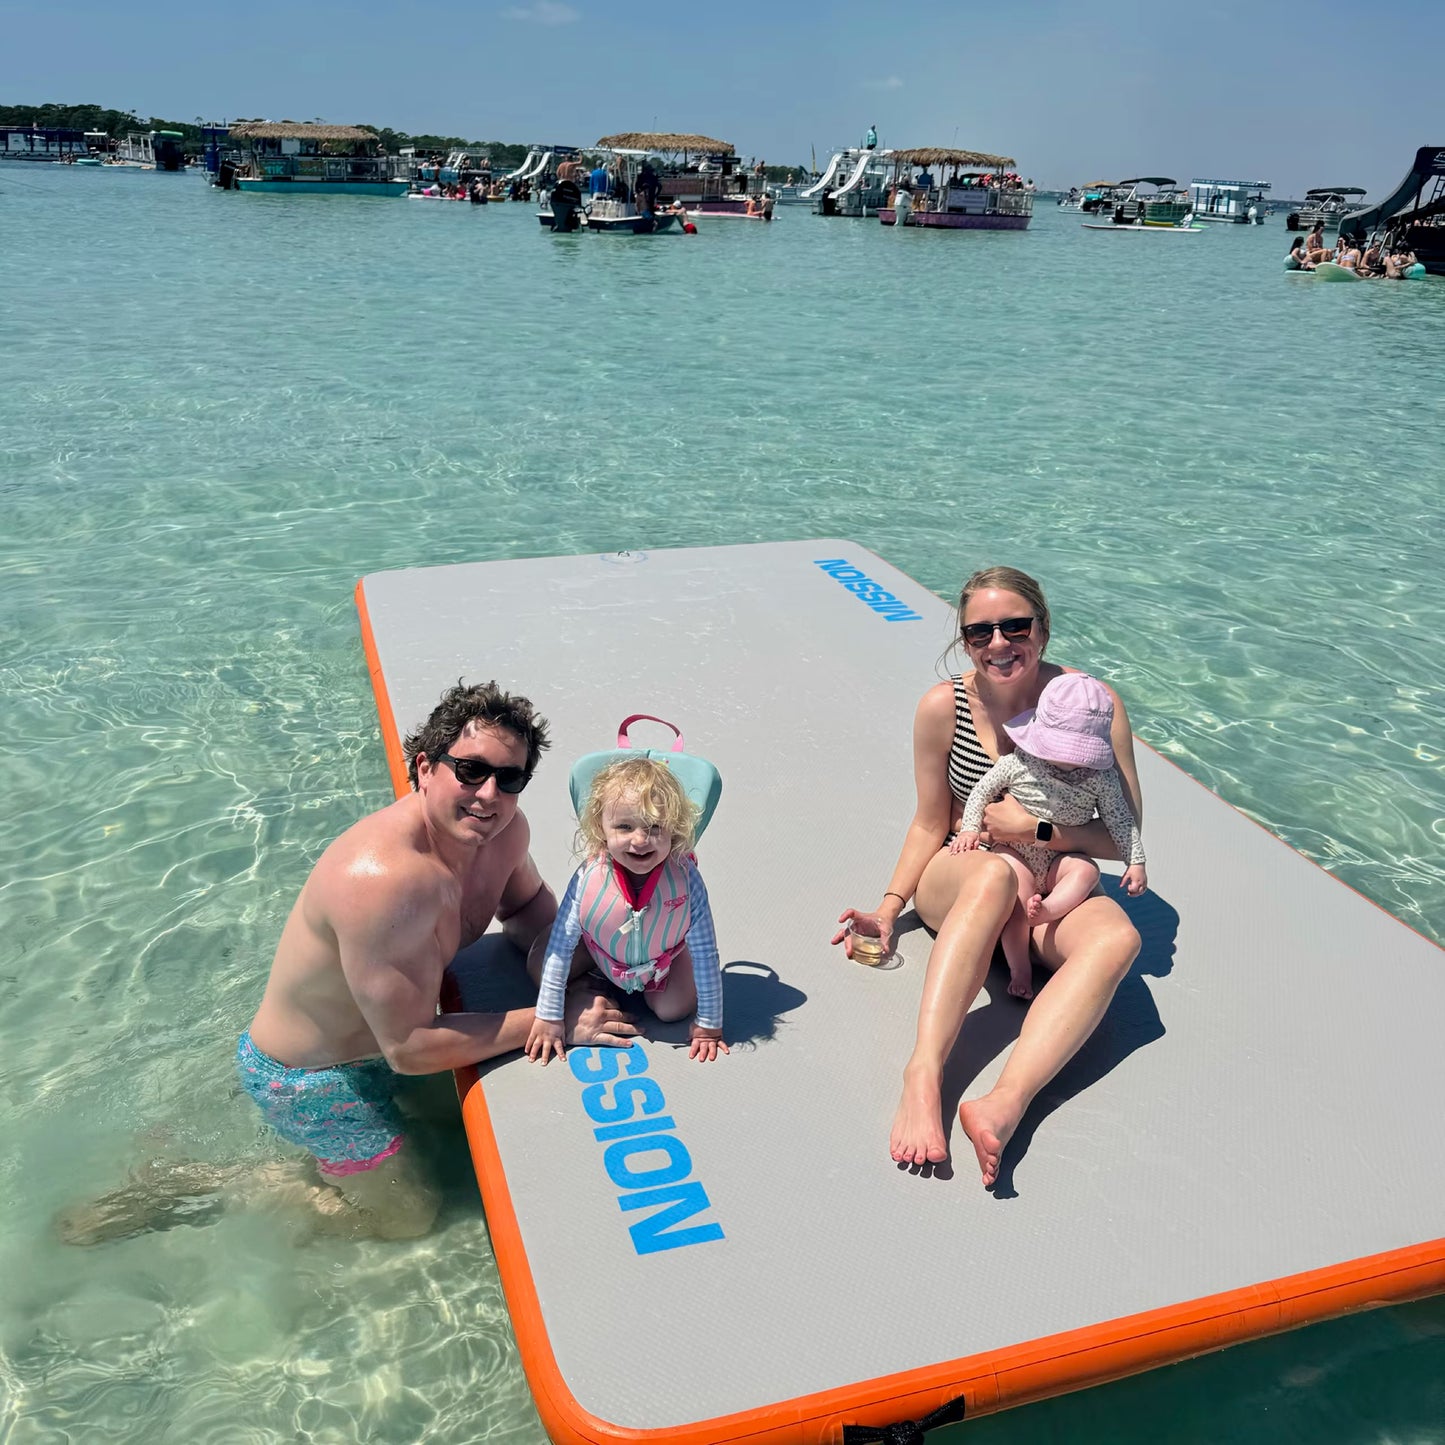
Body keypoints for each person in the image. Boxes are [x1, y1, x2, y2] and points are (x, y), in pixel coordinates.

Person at [59, 683, 640, 1246]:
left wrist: (569, 971)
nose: (488, 794)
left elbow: (528, 911)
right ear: (425, 768)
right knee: (409, 1218)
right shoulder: (383, 881)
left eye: (509, 778)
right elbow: (410, 1048)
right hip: (311, 1079)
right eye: (470, 770)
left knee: (459, 1138)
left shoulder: (504, 834)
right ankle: (206, 1187)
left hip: (387, 1043)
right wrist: (554, 1018)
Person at [832, 566, 1143, 1183]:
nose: (999, 642)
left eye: (1015, 626)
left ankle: (1004, 1103)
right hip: (964, 874)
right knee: (995, 876)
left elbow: (1122, 834)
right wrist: (890, 908)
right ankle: (924, 1074)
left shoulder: (1091, 706)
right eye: (980, 631)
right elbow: (930, 822)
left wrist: (1035, 830)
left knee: (1118, 939)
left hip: (1047, 883)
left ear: (1042, 629)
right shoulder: (942, 707)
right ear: (965, 640)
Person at [951, 671, 1146, 1001]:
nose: (1071, 761)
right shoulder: (1020, 762)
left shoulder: (1102, 779)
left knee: (1086, 871)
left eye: (1079, 754)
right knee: (1015, 895)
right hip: (1016, 851)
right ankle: (1020, 968)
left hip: (1060, 859)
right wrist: (970, 828)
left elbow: (1120, 820)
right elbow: (981, 792)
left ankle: (1049, 911)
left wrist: (1136, 861)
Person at [526, 756, 726, 1064]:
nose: (640, 840)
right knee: (539, 966)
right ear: (600, 828)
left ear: (674, 828)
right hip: (599, 951)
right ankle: (595, 980)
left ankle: (645, 976)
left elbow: (706, 952)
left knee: (672, 1010)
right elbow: (562, 946)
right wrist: (550, 1016)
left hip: (661, 960)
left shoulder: (687, 881)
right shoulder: (588, 877)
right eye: (624, 826)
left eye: (655, 827)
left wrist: (709, 1024)